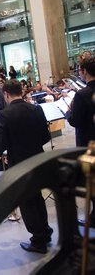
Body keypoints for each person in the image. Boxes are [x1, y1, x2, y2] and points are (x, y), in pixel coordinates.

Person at [0, 79, 52, 254]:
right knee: (37, 197)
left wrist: (3, 152)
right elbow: (45, 137)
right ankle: (45, 232)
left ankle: (38, 240)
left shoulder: (5, 114)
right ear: (22, 91)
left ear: (6, 94)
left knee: (26, 201)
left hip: (19, 163)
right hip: (38, 159)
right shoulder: (36, 109)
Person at [67, 57, 95, 227]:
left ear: (84, 71)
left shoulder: (82, 94)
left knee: (91, 181)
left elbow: (75, 121)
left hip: (89, 144)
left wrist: (68, 113)